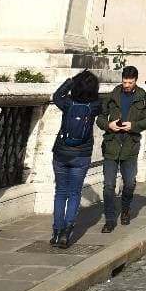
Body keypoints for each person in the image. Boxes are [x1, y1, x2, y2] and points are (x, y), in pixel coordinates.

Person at [97, 64, 146, 232]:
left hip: (130, 146)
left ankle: (126, 210)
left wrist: (133, 125)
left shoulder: (143, 97)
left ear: (136, 80)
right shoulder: (112, 95)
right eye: (125, 82)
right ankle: (109, 218)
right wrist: (108, 125)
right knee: (108, 185)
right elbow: (99, 117)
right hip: (111, 144)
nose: (127, 85)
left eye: (130, 82)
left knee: (129, 183)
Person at [50, 69, 100, 247]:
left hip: (61, 153)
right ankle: (67, 232)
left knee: (60, 192)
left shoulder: (68, 103)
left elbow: (56, 95)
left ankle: (56, 232)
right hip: (82, 155)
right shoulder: (94, 106)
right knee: (74, 193)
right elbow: (105, 104)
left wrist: (70, 82)